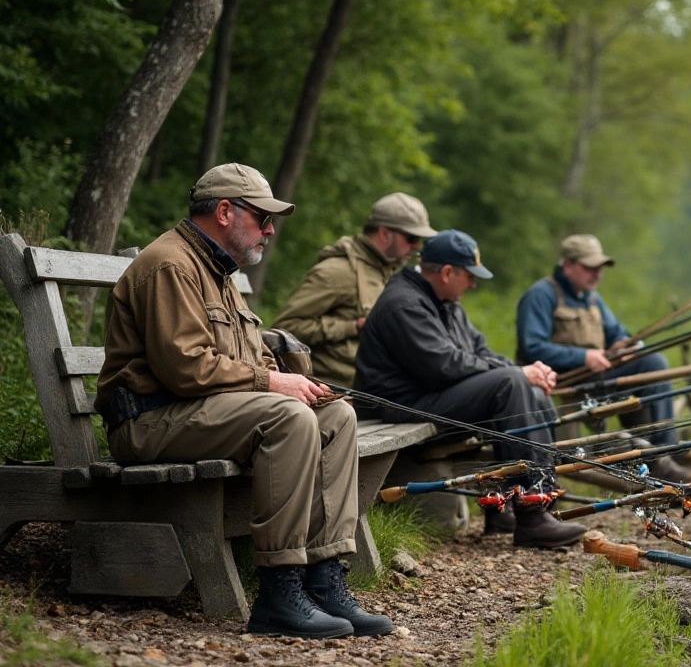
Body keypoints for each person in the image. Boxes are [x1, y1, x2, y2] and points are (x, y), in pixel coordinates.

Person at [95, 163, 392, 639]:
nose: (271, 230)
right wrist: (274, 387)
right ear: (226, 212)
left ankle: (324, 579)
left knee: (335, 415)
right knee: (289, 419)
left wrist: (294, 381)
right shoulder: (171, 265)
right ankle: (279, 591)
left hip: (197, 413)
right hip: (150, 422)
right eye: (263, 218)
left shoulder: (220, 273)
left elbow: (248, 360)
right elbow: (185, 368)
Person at [354, 230, 587, 548]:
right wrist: (517, 371)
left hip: (427, 396)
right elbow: (443, 366)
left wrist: (530, 373)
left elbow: (480, 352)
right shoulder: (404, 304)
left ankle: (521, 505)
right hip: (401, 405)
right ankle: (532, 518)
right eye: (470, 276)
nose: (474, 285)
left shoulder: (444, 301)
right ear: (448, 273)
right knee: (511, 383)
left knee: (529, 389)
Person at [516, 234, 677, 445]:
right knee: (655, 364)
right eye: (590, 268)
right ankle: (657, 451)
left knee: (653, 362)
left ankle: (662, 447)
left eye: (600, 268)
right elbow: (533, 348)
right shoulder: (541, 295)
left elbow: (617, 332)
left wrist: (624, 346)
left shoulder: (591, 297)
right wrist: (583, 357)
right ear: (567, 266)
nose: (598, 275)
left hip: (594, 376)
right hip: (560, 379)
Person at [273, 193, 436, 388]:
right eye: (411, 238)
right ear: (385, 234)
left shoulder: (388, 273)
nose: (416, 246)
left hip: (380, 387)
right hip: (340, 392)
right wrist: (352, 327)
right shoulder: (338, 272)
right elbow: (286, 328)